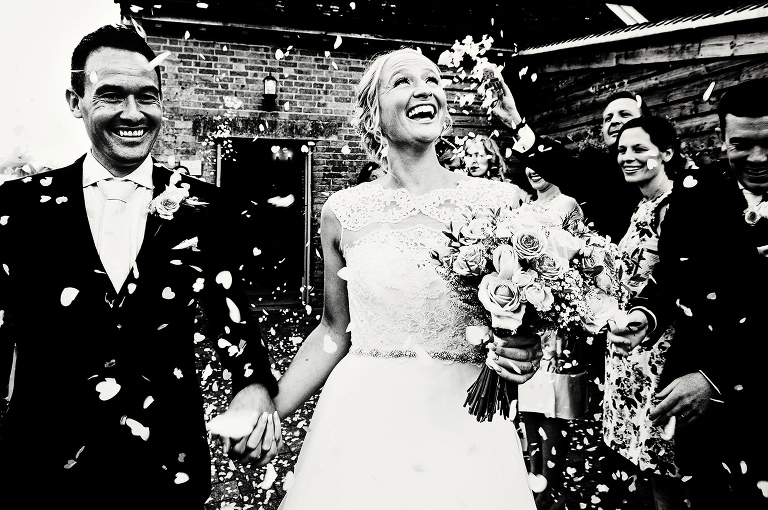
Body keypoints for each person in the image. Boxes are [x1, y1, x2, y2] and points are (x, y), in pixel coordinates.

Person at [0, 24, 279, 509]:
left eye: (147, 97)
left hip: (166, 466)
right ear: (75, 101)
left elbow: (231, 312)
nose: (133, 113)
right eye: (111, 95)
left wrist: (252, 386)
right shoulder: (17, 210)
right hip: (40, 468)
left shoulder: (205, 209)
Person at [273, 48, 541, 510]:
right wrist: (269, 412)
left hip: (464, 417)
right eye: (402, 82)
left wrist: (524, 347)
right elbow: (334, 331)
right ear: (373, 113)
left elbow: (524, 316)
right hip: (364, 417)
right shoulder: (343, 211)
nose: (423, 90)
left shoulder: (499, 202)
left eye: (432, 79)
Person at [615, 79, 768, 508]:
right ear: (722, 140)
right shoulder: (696, 196)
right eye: (742, 144)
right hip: (706, 423)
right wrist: (646, 315)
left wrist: (715, 379)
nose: (757, 158)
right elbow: (672, 277)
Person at [601, 117, 687, 510]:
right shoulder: (638, 206)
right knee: (639, 461)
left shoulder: (680, 208)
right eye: (621, 150)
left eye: (638, 148)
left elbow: (677, 281)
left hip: (660, 351)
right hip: (626, 350)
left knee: (665, 463)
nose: (627, 157)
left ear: (667, 153)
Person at [492, 79, 649, 242]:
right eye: (608, 118)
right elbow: (560, 165)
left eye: (625, 114)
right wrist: (514, 120)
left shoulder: (667, 170)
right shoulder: (596, 168)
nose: (614, 121)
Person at [518, 169, 584, 510]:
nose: (533, 171)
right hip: (529, 315)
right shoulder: (525, 205)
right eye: (528, 164)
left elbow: (580, 259)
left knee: (552, 406)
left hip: (557, 316)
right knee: (529, 404)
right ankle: (532, 478)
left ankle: (551, 489)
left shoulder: (568, 204)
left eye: (541, 164)